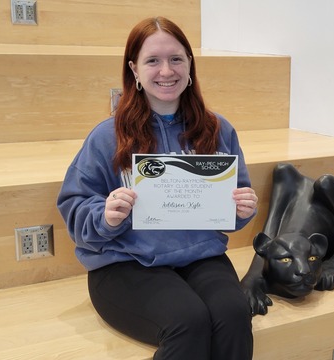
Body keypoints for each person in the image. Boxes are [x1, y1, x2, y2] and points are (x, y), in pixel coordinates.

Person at [57, 16, 258, 360]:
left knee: (235, 315)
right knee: (188, 321)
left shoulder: (218, 130)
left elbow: (234, 200)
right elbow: (74, 204)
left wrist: (242, 209)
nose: (167, 71)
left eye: (176, 59)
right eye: (153, 61)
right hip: (123, 263)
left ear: (190, 64)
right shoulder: (107, 136)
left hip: (199, 255)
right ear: (134, 69)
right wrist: (105, 216)